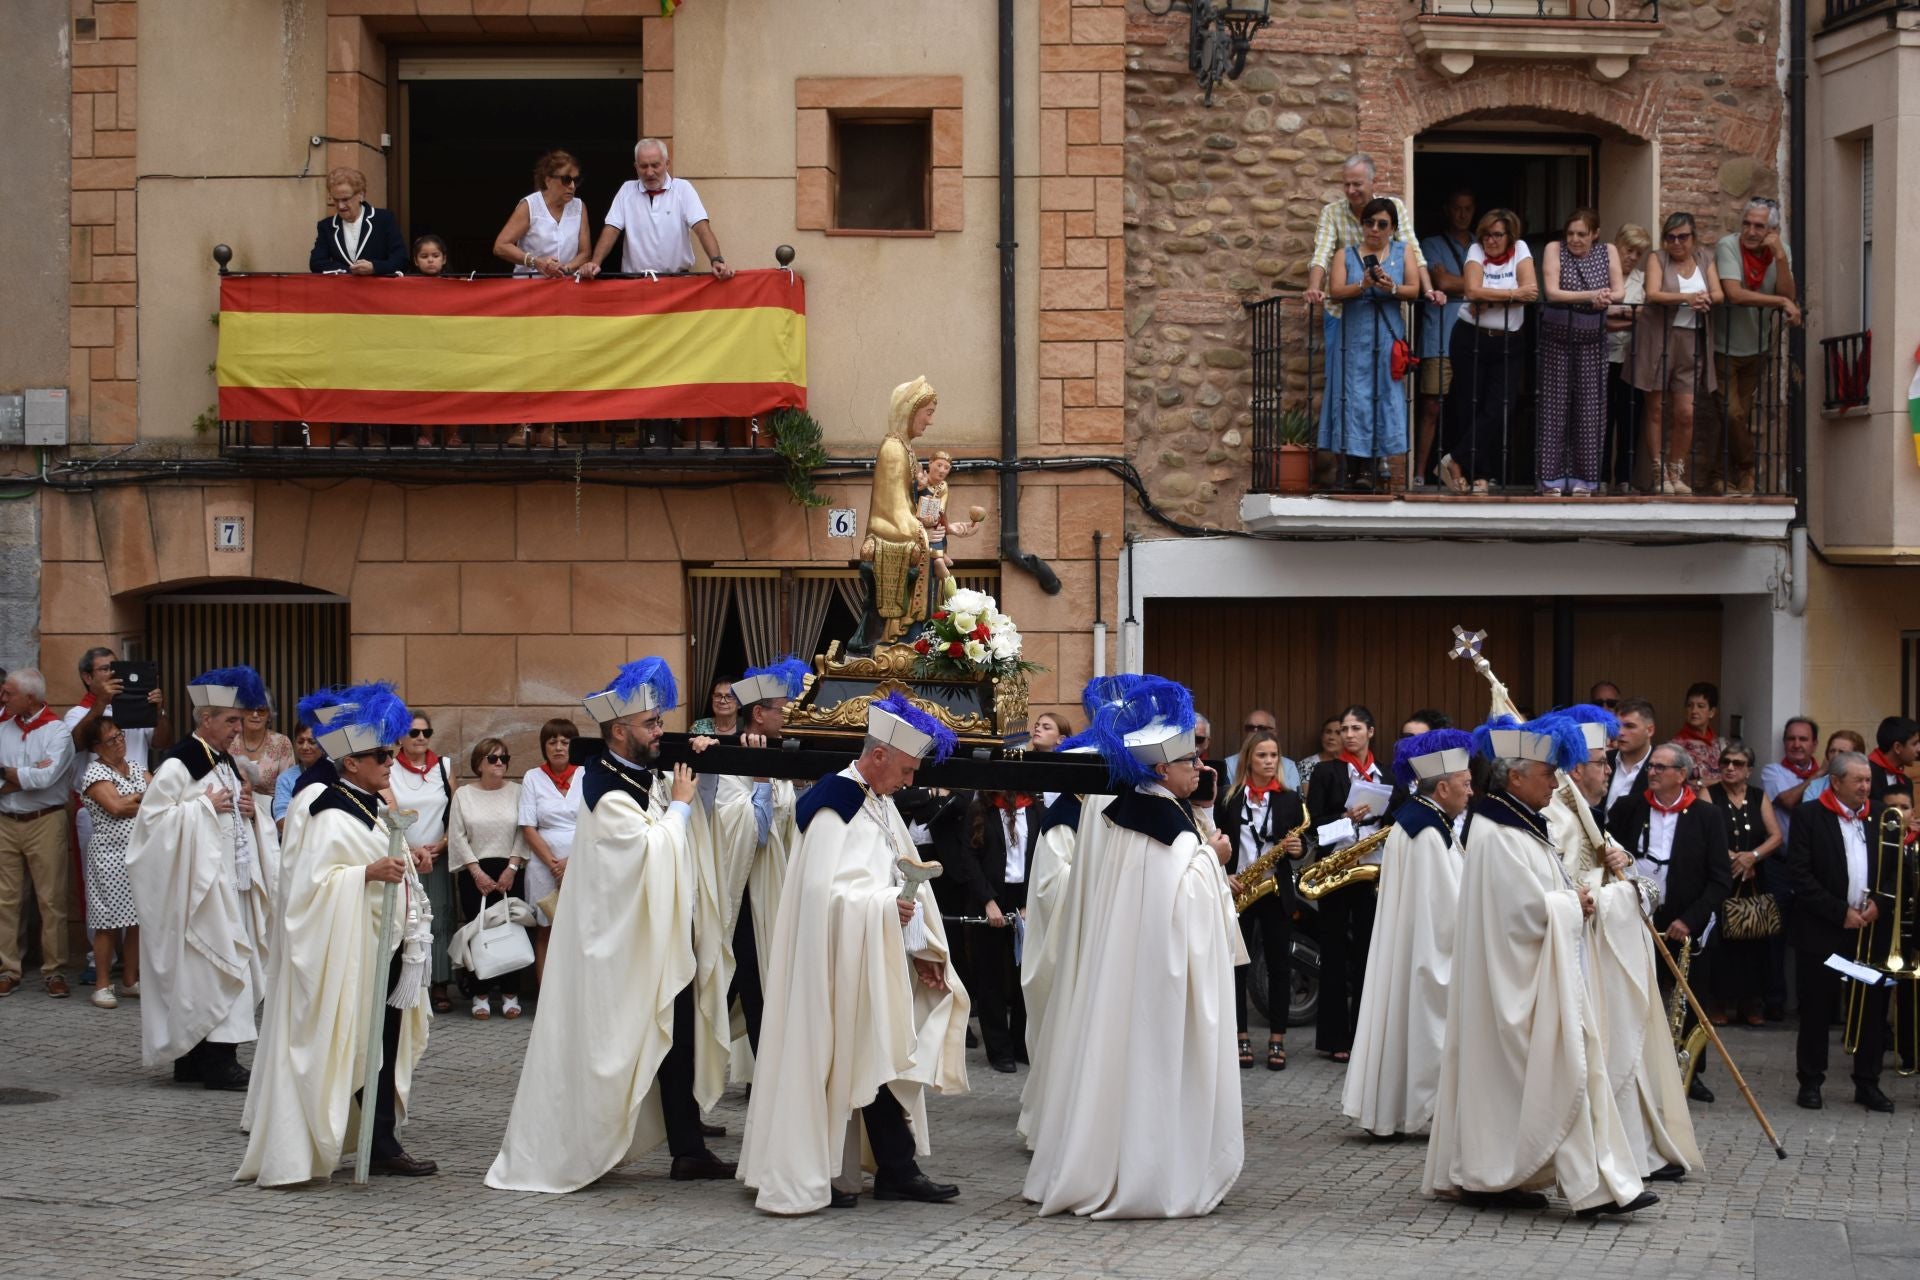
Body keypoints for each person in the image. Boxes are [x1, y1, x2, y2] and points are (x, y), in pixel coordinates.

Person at [488, 658, 737, 1193]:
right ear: (619, 731)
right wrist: (682, 808)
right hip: (620, 950)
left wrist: (696, 781)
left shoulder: (635, 776)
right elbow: (648, 851)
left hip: (654, 939)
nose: (660, 732)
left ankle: (688, 1148)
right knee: (658, 1039)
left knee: (679, 1042)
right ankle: (620, 1141)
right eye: (650, 724)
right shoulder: (606, 792)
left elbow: (684, 826)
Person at [738, 692, 969, 1214]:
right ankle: (848, 1170)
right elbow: (824, 896)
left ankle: (891, 1168)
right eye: (907, 769)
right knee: (858, 1056)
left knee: (878, 1055)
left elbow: (909, 874)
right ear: (879, 755)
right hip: (834, 965)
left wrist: (925, 947)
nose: (911, 782)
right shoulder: (835, 803)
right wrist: (886, 907)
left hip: (872, 954)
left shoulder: (880, 800)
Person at [1024, 677, 1244, 1219]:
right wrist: (1213, 857)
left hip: (1135, 971)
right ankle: (1152, 1170)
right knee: (1152, 1068)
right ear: (1163, 769)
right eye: (1190, 761)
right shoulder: (1165, 824)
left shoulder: (1142, 812)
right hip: (1157, 980)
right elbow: (1183, 901)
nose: (1200, 768)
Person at [1424, 713, 1656, 1217]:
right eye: (1548, 773)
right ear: (1514, 777)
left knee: (1553, 1076)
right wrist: (1576, 903)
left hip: (1533, 976)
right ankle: (1580, 1187)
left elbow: (1537, 896)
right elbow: (1520, 914)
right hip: (1512, 984)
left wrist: (1571, 899)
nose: (1557, 781)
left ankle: (1531, 1179)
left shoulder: (1520, 822)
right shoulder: (1496, 831)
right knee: (1560, 1072)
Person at [237, 687, 438, 1184]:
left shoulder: (364, 801)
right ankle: (360, 1134)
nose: (390, 761)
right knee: (358, 1044)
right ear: (350, 762)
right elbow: (310, 888)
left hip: (385, 945)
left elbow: (377, 856)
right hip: (350, 952)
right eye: (380, 755)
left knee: (385, 1047)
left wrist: (402, 863)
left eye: (390, 752)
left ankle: (381, 1137)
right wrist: (365, 875)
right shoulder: (329, 809)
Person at [1546, 705, 1699, 1184]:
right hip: (1583, 959)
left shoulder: (1589, 816)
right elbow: (1569, 890)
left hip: (1608, 953)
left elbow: (1613, 874)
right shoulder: (1558, 819)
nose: (1610, 771)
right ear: (1575, 768)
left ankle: (1636, 1149)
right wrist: (1625, 890)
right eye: (1601, 763)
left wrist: (1624, 865)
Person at [125, 666, 281, 1089]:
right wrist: (203, 809)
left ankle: (199, 1058)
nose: (239, 728)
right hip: (199, 893)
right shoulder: (180, 764)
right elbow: (151, 829)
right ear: (205, 719)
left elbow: (240, 814)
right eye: (231, 720)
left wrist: (252, 814)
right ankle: (212, 1061)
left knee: (225, 966)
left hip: (232, 885)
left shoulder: (226, 763)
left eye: (240, 720)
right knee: (207, 970)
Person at [1342, 728, 1473, 1137]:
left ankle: (1397, 1108)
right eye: (1467, 785)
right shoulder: (1427, 832)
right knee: (1425, 1027)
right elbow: (1445, 910)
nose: (1472, 792)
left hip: (1414, 948)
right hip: (1427, 955)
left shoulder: (1423, 820)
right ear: (1445, 786)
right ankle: (1419, 1110)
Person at [1607, 741, 1733, 1103]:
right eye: (1653, 767)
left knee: (1692, 1000)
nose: (1654, 772)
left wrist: (1689, 920)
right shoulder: (1629, 808)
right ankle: (1636, 1069)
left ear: (1682, 774)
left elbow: (1720, 879)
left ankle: (1690, 1073)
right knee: (1637, 994)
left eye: (1662, 767)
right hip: (1637, 917)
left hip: (1687, 920)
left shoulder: (1707, 817)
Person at [1782, 752, 1896, 1112]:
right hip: (1823, 930)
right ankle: (1811, 1082)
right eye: (1858, 780)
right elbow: (1800, 874)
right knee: (1817, 1007)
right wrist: (1839, 912)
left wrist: (1882, 902)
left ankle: (1868, 1083)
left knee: (1872, 1009)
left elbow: (1896, 867)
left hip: (1870, 930)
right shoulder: (1809, 816)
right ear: (1835, 782)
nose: (1866, 787)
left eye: (1868, 780)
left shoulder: (1881, 815)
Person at [707, 656, 809, 1060]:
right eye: (784, 710)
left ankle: (764, 1076)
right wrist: (763, 779)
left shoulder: (778, 754)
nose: (790, 716)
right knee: (742, 981)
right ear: (759, 713)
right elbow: (753, 830)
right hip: (741, 894)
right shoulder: (734, 757)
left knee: (759, 983)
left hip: (772, 890)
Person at [1305, 704, 1398, 1061]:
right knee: (1333, 954)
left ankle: (1365, 1035)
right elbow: (1315, 828)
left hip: (1373, 871)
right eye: (1344, 729)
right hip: (1335, 870)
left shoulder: (1386, 774)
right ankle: (1335, 1039)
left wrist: (1377, 820)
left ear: (1371, 732)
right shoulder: (1327, 772)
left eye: (1355, 728)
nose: (1348, 735)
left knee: (1367, 954)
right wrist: (1347, 818)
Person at [1216, 730, 1306, 1072]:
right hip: (1239, 887)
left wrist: (1299, 849)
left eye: (1274, 755)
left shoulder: (1289, 799)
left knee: (1279, 967)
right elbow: (1216, 842)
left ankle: (1277, 1038)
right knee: (1237, 966)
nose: (1269, 762)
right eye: (1262, 756)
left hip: (1275, 890)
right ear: (1248, 761)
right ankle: (1239, 1034)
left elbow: (1302, 844)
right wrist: (1225, 876)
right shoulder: (1229, 798)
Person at [1319, 197, 1418, 491]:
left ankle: (1375, 465)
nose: (1374, 229)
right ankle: (1354, 467)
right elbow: (1335, 291)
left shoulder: (1403, 252)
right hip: (1353, 339)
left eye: (1382, 224)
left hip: (1386, 339)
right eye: (1369, 223)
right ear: (1361, 225)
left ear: (1392, 228)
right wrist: (1362, 284)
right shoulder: (1344, 254)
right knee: (1353, 399)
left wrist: (1393, 287)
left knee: (1383, 398)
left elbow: (1414, 290)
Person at [1440, 209, 1537, 494]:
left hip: (1509, 340)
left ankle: (1454, 459)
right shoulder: (1475, 250)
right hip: (1470, 337)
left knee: (1500, 407)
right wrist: (1511, 295)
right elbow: (1472, 291)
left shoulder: (1521, 250)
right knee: (1469, 404)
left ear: (1510, 236)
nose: (1490, 241)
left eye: (1497, 235)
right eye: (1486, 235)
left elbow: (1531, 292)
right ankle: (1477, 473)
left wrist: (1491, 298)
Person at [1708, 197, 1799, 495]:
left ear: (1771, 230)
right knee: (1731, 412)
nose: (1750, 231)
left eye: (1759, 226)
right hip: (1724, 348)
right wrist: (1781, 302)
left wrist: (1781, 258)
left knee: (1736, 418)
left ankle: (1721, 477)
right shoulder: (1728, 246)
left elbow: (1788, 292)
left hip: (1757, 350)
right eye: (1747, 223)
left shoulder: (1779, 254)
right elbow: (1735, 294)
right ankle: (1747, 468)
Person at [944, 788, 1039, 1073]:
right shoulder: (980, 810)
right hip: (989, 899)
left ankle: (1022, 1043)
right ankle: (999, 1049)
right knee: (991, 976)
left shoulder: (1034, 810)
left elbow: (1039, 858)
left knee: (1025, 975)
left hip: (1023, 900)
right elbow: (969, 860)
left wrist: (1029, 901)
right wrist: (988, 901)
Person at [1634, 212, 1725, 495]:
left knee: (1686, 412)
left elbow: (1719, 293)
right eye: (1670, 237)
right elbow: (1653, 293)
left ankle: (1677, 471)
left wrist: (1708, 298)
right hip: (1660, 338)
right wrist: (1688, 298)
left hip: (1692, 340)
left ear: (1693, 238)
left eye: (1682, 237)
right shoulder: (1657, 259)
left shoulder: (1704, 258)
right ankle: (1658, 471)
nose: (1676, 243)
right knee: (1657, 409)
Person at [0, 669, 77, 999]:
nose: (3, 698)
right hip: (6, 819)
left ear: (29, 698)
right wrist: (23, 777)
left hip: (46, 820)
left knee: (51, 899)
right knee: (6, 900)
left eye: (8, 693)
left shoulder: (58, 731)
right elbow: (37, 775)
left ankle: (54, 970)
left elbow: (47, 779)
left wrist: (4, 773)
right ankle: (8, 968)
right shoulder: (3, 727)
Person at [1536, 209, 1623, 496]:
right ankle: (1551, 479)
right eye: (1570, 233)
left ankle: (1585, 480)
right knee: (1554, 407)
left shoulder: (1607, 251)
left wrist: (1605, 296)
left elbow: (1619, 291)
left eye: (1581, 234)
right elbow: (1552, 291)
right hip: (1556, 339)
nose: (1574, 239)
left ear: (1595, 234)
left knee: (1590, 408)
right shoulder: (1553, 249)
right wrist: (1592, 296)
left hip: (1592, 340)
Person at [446, 736, 528, 1019]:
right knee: (477, 932)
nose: (499, 763)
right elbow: (456, 835)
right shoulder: (464, 795)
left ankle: (510, 994)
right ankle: (480, 995)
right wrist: (476, 871)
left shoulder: (518, 792)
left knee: (511, 930)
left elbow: (524, 830)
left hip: (510, 871)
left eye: (504, 758)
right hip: (475, 873)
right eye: (493, 758)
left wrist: (513, 867)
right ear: (479, 763)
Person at [855, 376, 940, 647]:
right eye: (928, 413)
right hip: (889, 531)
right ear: (910, 411)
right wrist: (920, 529)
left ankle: (915, 633)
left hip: (902, 526)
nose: (930, 421)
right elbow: (893, 508)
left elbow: (908, 502)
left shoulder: (905, 449)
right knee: (926, 550)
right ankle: (897, 633)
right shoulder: (893, 449)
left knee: (934, 548)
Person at [1704, 742, 1782, 1026]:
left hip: (1754, 879)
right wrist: (1736, 859)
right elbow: (1705, 833)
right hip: (1720, 876)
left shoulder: (1759, 796)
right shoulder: (1709, 793)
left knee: (1754, 940)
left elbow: (1776, 836)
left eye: (1737, 763)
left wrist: (1753, 857)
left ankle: (1752, 1004)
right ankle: (1718, 1002)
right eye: (1725, 762)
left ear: (1749, 770)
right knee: (1720, 940)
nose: (1730, 768)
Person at [585, 138, 733, 279]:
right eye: (643, 166)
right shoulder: (626, 190)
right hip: (635, 282)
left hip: (677, 281)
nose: (649, 172)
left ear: (667, 164)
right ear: (636, 167)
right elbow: (612, 229)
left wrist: (716, 260)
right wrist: (595, 263)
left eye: (655, 165)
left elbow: (701, 228)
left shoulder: (683, 189)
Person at [389, 712, 456, 1015]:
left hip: (438, 856)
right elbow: (387, 810)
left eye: (426, 732)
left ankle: (439, 982)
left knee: (439, 920)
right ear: (400, 736)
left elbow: (456, 813)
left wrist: (441, 845)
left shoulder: (444, 767)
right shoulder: (388, 768)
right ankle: (408, 981)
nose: (420, 738)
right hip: (405, 856)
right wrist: (412, 849)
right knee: (407, 917)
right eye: (413, 733)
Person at [79, 719, 147, 1009]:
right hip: (109, 856)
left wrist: (134, 798)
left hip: (140, 852)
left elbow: (162, 796)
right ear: (97, 748)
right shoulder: (94, 772)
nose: (119, 742)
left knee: (137, 921)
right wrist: (143, 798)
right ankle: (102, 985)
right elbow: (116, 807)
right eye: (110, 740)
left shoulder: (134, 765)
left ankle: (130, 980)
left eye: (119, 736)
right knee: (108, 924)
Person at [1416, 189, 1477, 487]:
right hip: (1439, 336)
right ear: (1447, 210)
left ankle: (1463, 470)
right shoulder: (1431, 244)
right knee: (1432, 406)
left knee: (1469, 406)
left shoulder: (1483, 245)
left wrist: (1460, 283)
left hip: (1475, 340)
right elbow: (1439, 281)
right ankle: (1418, 472)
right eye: (1457, 208)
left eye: (1468, 208)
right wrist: (1477, 286)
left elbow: (1480, 283)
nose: (1463, 214)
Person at [518, 716, 582, 986]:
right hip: (543, 865)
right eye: (552, 741)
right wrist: (554, 864)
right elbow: (528, 826)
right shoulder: (533, 777)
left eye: (565, 742)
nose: (558, 747)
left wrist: (570, 861)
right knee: (546, 928)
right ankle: (545, 995)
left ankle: (575, 993)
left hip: (581, 860)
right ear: (544, 746)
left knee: (579, 929)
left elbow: (596, 821)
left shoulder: (586, 774)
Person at [1604, 224, 1653, 493]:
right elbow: (1597, 319)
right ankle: (1599, 479)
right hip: (1601, 357)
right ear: (1617, 246)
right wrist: (1627, 317)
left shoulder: (1642, 280)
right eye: (1628, 250)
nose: (1632, 257)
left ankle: (1624, 479)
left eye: (1638, 253)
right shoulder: (1600, 276)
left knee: (1629, 420)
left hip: (1631, 359)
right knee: (1602, 420)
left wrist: (1614, 316)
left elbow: (1644, 317)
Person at [493, 149, 593, 279]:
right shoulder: (529, 205)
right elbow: (501, 246)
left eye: (576, 180)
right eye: (566, 179)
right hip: (529, 289)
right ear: (548, 180)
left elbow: (585, 253)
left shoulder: (579, 207)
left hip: (564, 287)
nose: (572, 186)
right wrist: (536, 262)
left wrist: (564, 269)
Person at [308, 167, 407, 275]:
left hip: (378, 289)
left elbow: (401, 260)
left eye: (345, 199)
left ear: (361, 195)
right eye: (336, 200)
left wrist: (374, 267)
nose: (340, 206)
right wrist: (350, 271)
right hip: (342, 290)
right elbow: (316, 263)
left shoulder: (384, 219)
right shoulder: (326, 226)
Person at [915, 450, 981, 606]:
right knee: (935, 552)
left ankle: (941, 555)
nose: (942, 470)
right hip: (918, 528)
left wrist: (951, 528)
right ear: (930, 464)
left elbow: (941, 510)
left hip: (933, 520)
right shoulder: (918, 482)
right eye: (939, 465)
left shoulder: (943, 486)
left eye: (946, 467)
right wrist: (920, 488)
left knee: (939, 529)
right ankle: (939, 560)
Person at [1604, 698, 1658, 820]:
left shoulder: (1661, 767)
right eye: (1618, 726)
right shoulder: (1603, 760)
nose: (1621, 732)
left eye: (1629, 726)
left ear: (1649, 730)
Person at [231, 700, 294, 804]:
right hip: (234, 809)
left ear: (269, 715)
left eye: (261, 710)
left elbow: (287, 789)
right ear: (242, 712)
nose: (255, 715)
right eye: (250, 709)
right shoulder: (229, 740)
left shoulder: (282, 743)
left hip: (270, 813)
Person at [272, 724, 324, 830]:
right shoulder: (285, 779)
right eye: (300, 742)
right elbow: (281, 820)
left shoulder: (337, 772)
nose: (305, 747)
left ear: (323, 744)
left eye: (312, 742)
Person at [1674, 681, 1724, 785]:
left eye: (1700, 706)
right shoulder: (1675, 747)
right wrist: (1703, 782)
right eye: (1689, 705)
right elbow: (1673, 782)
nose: (1694, 711)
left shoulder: (1721, 745)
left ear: (1712, 712)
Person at [1866, 715, 1919, 802]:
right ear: (1897, 747)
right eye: (1914, 744)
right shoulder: (1866, 775)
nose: (1919, 749)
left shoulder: (1906, 782)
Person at [1298, 715, 1342, 791]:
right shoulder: (1307, 765)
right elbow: (1308, 797)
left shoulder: (1351, 764)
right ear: (1322, 736)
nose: (1331, 737)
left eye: (1338, 733)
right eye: (1328, 732)